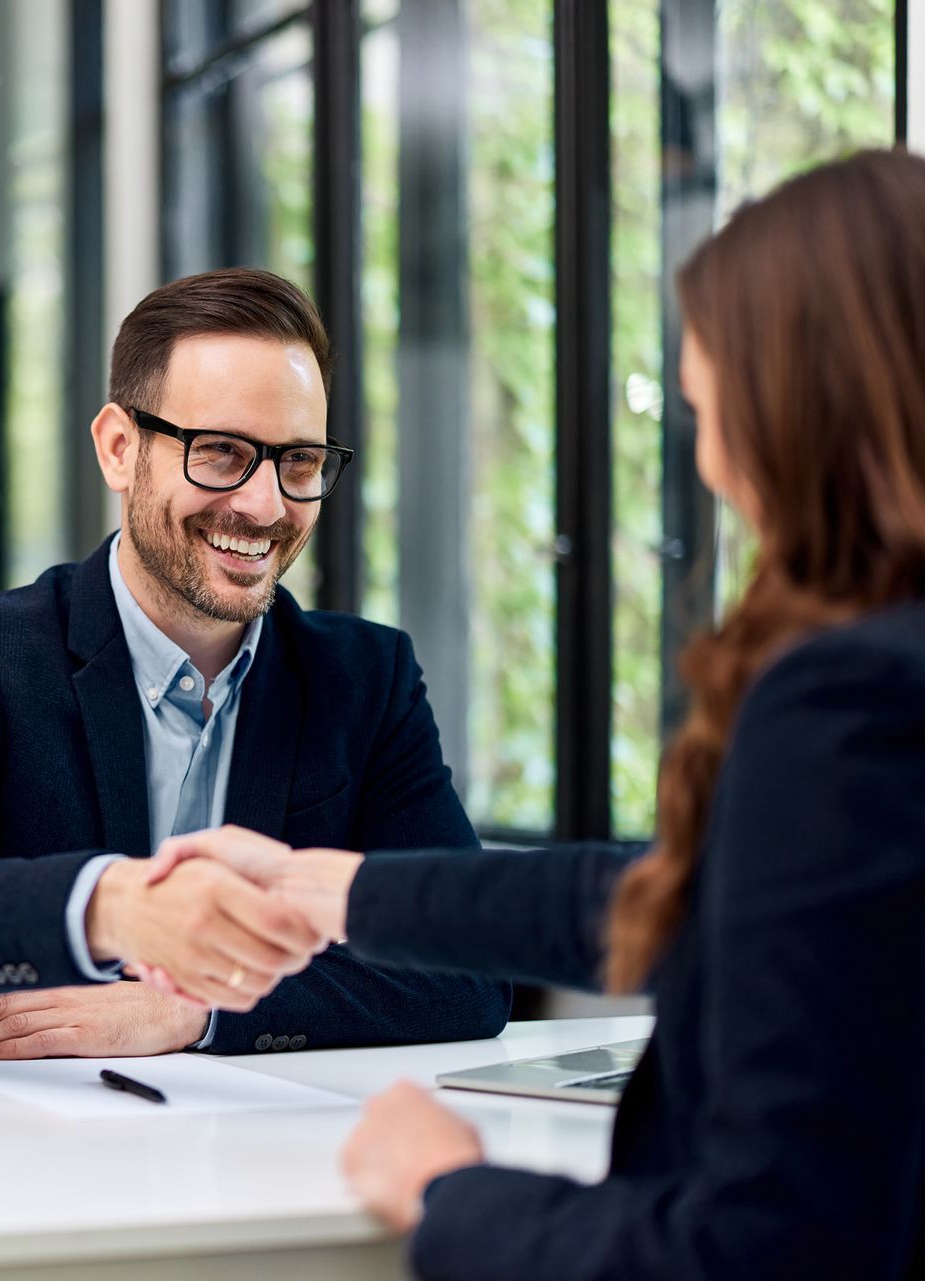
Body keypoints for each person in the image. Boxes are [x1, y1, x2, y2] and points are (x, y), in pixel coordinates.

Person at [135, 150, 925, 1278]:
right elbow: (695, 894)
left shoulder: (845, 702)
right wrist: (337, 889)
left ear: (803, 412)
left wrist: (451, 1192)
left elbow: (765, 1250)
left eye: (713, 414)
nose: (706, 462)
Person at [0, 267, 509, 1057]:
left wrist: (194, 1008)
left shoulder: (365, 680)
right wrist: (113, 909)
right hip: (4, 1143)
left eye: (300, 463)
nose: (265, 505)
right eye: (220, 452)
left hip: (251, 1151)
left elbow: (469, 958)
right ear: (119, 448)